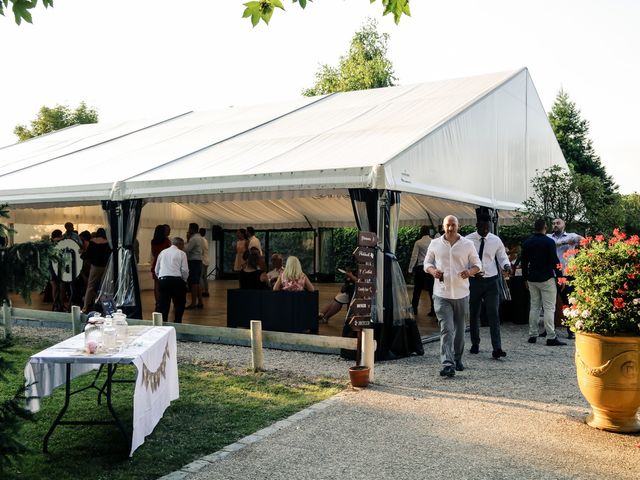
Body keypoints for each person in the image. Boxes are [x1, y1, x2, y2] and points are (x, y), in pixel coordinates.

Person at [424, 215, 481, 377]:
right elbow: (427, 263)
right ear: (443, 226)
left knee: (460, 330)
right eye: (448, 225)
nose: (450, 228)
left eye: (453, 225)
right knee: (446, 329)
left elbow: (478, 265)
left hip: (462, 294)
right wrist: (433, 271)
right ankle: (447, 363)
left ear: (458, 226)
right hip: (441, 294)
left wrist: (469, 272)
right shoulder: (435, 244)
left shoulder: (468, 244)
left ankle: (457, 358)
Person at [466, 217, 511, 359]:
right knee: (474, 313)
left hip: (491, 281)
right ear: (477, 226)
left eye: (488, 228)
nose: (485, 231)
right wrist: (472, 271)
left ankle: (497, 348)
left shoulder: (495, 240)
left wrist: (507, 266)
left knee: (494, 314)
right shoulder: (468, 240)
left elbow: (502, 256)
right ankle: (475, 343)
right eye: (483, 228)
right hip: (475, 281)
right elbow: (462, 260)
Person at [521, 219, 566, 346]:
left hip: (532, 278)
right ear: (545, 227)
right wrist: (560, 277)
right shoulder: (549, 242)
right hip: (546, 278)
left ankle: (533, 334)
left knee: (534, 307)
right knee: (549, 308)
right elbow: (555, 261)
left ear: (534, 227)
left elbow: (523, 263)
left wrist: (525, 278)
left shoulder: (527, 243)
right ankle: (551, 336)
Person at [548, 218, 584, 340]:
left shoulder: (571, 235)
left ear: (564, 225)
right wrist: (564, 243)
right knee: (550, 303)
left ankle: (571, 330)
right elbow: (552, 244)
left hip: (568, 273)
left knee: (568, 302)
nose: (555, 225)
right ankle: (549, 329)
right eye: (553, 223)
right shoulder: (548, 237)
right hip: (553, 274)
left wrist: (576, 240)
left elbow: (582, 240)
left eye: (558, 223)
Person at [155, 237, 189, 323]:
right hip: (177, 281)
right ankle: (177, 321)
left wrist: (161, 278)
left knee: (163, 305)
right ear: (180, 245)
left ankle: (163, 323)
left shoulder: (162, 252)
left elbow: (156, 269)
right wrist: (184, 280)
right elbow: (185, 270)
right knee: (179, 303)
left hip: (163, 280)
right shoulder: (182, 253)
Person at [81, 228, 112, 313]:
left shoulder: (93, 242)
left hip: (95, 267)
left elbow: (88, 255)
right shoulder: (109, 243)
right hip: (106, 267)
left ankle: (85, 308)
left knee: (90, 286)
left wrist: (82, 254)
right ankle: (107, 308)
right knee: (106, 287)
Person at [408, 225, 435, 317]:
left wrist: (410, 268)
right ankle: (433, 310)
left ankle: (414, 309)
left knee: (417, 289)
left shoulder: (418, 242)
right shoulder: (433, 242)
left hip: (420, 267)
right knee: (432, 290)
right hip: (431, 268)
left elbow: (414, 256)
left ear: (421, 232)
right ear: (429, 232)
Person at [151, 224, 172, 310]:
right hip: (164, 263)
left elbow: (153, 253)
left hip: (156, 262)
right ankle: (164, 302)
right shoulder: (166, 241)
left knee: (156, 285)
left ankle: (157, 303)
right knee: (165, 285)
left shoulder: (153, 241)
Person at [184, 223, 205, 309]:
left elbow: (186, 249)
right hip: (198, 261)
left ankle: (193, 303)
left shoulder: (193, 239)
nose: (188, 230)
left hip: (193, 262)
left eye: (189, 228)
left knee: (193, 283)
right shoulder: (200, 238)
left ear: (192, 229)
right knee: (196, 282)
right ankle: (200, 301)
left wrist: (187, 240)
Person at [199, 227, 210, 297]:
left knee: (200, 277)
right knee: (204, 277)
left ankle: (202, 291)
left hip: (202, 260)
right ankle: (206, 291)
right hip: (206, 260)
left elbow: (201, 251)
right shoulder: (205, 240)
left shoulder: (200, 240)